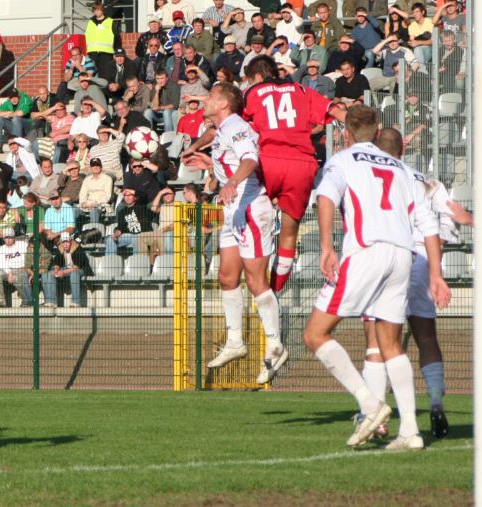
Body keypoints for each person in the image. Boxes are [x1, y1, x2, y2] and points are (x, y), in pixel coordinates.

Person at [302, 105, 445, 451]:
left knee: (315, 334)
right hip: (403, 257)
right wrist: (436, 275)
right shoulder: (403, 169)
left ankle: (370, 404)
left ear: (345, 134)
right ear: (377, 132)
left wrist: (326, 247)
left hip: (366, 251)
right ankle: (410, 431)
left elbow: (325, 196)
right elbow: (429, 224)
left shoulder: (343, 159)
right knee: (390, 343)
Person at [187, 55, 345, 293]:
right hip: (301, 164)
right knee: (290, 231)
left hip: (268, 161)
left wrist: (196, 146)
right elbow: (335, 111)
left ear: (257, 77)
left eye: (250, 80)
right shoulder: (301, 90)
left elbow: (227, 126)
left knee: (253, 204)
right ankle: (276, 288)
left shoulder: (253, 93)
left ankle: (255, 272)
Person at [369, 128, 471, 438]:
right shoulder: (427, 182)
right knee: (426, 337)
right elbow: (450, 216)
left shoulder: (368, 176)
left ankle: (377, 415)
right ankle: (436, 401)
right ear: (402, 150)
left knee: (379, 339)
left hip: (386, 258)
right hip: (422, 259)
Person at [180, 84, 284, 383]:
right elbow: (223, 150)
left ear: (223, 104)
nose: (205, 100)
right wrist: (206, 160)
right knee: (227, 276)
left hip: (250, 206)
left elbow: (250, 160)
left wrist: (231, 184)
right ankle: (235, 341)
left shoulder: (236, 127)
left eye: (211, 97)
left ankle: (275, 344)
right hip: (232, 210)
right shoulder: (222, 129)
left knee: (255, 279)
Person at [43, 233, 91, 308]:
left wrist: (63, 272)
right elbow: (57, 262)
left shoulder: (78, 248)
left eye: (67, 242)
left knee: (74, 274)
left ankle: (76, 302)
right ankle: (51, 302)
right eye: (63, 242)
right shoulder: (60, 249)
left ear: (71, 241)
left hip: (80, 269)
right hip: (67, 269)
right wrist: (56, 269)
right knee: (50, 273)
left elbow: (76, 267)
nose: (65, 244)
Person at [85, 2, 121, 83]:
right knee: (92, 76)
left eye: (99, 10)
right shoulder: (90, 22)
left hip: (106, 54)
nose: (97, 12)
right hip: (92, 53)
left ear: (103, 10)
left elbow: (117, 39)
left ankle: (105, 91)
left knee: (105, 76)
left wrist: (116, 53)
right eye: (95, 10)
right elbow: (87, 37)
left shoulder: (110, 21)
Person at [0, 228, 30, 307]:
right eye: (6, 238)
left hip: (21, 268)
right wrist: (9, 272)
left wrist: (27, 266)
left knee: (17, 278)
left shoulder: (22, 244)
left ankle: (26, 301)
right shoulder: (2, 248)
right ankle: (0, 302)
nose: (8, 240)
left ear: (14, 237)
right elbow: (1, 263)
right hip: (8, 270)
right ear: (3, 239)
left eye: (10, 237)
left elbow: (30, 256)